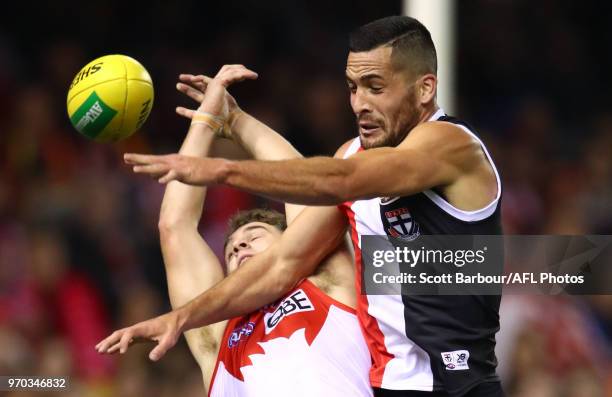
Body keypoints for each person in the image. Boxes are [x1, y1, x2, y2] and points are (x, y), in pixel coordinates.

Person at [98, 16, 503, 396]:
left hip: (458, 385)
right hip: (392, 387)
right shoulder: (220, 335)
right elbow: (280, 262)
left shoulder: (452, 144)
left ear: (425, 89)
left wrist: (220, 168)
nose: (359, 103)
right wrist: (180, 317)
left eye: (375, 88)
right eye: (352, 87)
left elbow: (334, 182)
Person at [96, 67, 372, 396]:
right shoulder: (216, 334)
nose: (239, 247)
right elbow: (175, 226)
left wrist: (236, 120)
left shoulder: (326, 280)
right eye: (231, 251)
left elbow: (308, 189)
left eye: (254, 236)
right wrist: (205, 121)